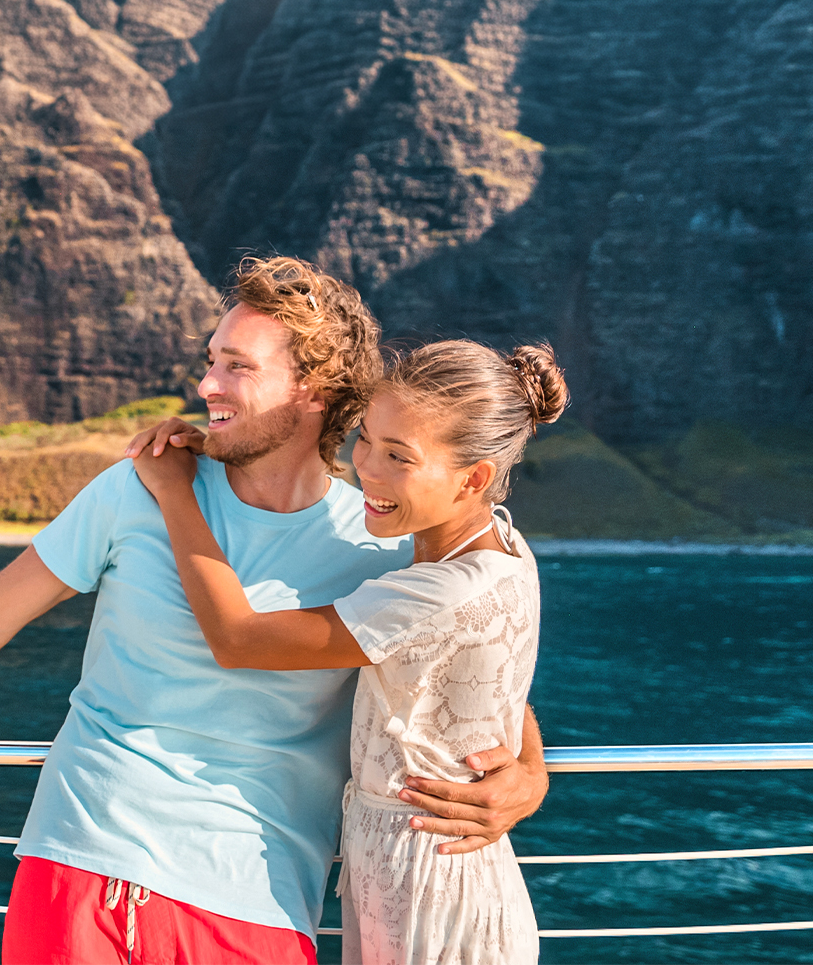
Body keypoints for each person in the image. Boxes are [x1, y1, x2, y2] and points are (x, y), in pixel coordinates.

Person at [0, 258, 550, 964]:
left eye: (237, 366)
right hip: (85, 858)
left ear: (313, 392)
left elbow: (462, 653)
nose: (205, 385)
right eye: (209, 360)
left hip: (256, 896)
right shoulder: (134, 488)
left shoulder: (376, 539)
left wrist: (529, 773)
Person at [128, 338, 568, 964]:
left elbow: (240, 639)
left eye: (400, 457)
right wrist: (530, 767)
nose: (369, 468)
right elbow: (489, 675)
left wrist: (175, 492)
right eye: (365, 439)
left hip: (426, 884)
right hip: (428, 870)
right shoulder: (499, 547)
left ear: (472, 479)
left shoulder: (436, 591)